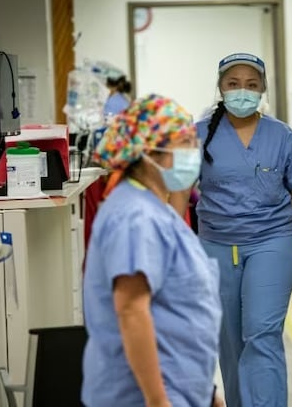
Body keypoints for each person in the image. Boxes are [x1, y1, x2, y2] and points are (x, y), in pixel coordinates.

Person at [196, 52, 292, 407]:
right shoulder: (198, 135)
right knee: (230, 341)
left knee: (262, 334)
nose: (242, 92)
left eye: (251, 85)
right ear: (220, 87)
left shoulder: (281, 136)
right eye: (233, 84)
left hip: (271, 243)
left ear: (263, 88)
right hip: (215, 247)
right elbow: (177, 194)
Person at [82, 94, 222, 407]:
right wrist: (158, 401)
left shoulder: (156, 211)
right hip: (142, 396)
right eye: (184, 142)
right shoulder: (135, 217)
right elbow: (132, 310)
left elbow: (176, 308)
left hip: (180, 388)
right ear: (149, 151)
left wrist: (206, 391)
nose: (194, 151)